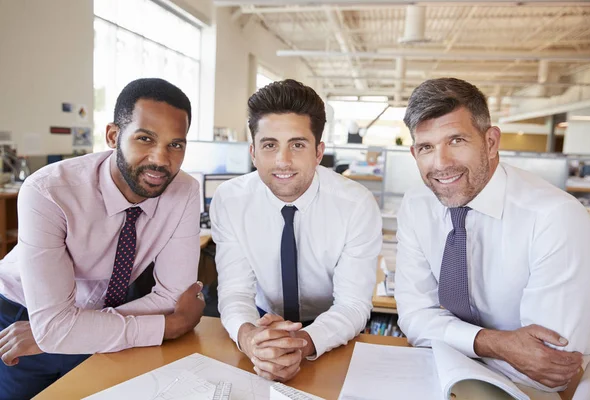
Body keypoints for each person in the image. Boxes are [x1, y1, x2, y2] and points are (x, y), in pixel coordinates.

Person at [0, 78, 205, 399]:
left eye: (175, 144)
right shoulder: (48, 191)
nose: (161, 159)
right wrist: (171, 326)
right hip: (22, 314)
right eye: (145, 138)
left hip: (107, 313)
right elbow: (173, 315)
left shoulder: (185, 191)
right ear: (113, 136)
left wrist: (65, 332)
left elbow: (171, 298)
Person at [394, 77, 590, 391]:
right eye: (426, 147)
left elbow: (546, 365)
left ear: (491, 142)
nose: (441, 164)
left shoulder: (555, 217)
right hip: (448, 375)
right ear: (414, 153)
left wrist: (445, 335)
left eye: (456, 141)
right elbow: (413, 318)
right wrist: (499, 344)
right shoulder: (417, 205)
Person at [210, 79, 382, 382]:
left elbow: (353, 303)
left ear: (318, 152)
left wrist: (298, 345)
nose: (283, 161)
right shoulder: (230, 200)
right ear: (253, 152)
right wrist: (251, 339)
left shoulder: (356, 204)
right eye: (269, 145)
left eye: (297, 145)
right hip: (261, 328)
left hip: (331, 333)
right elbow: (236, 291)